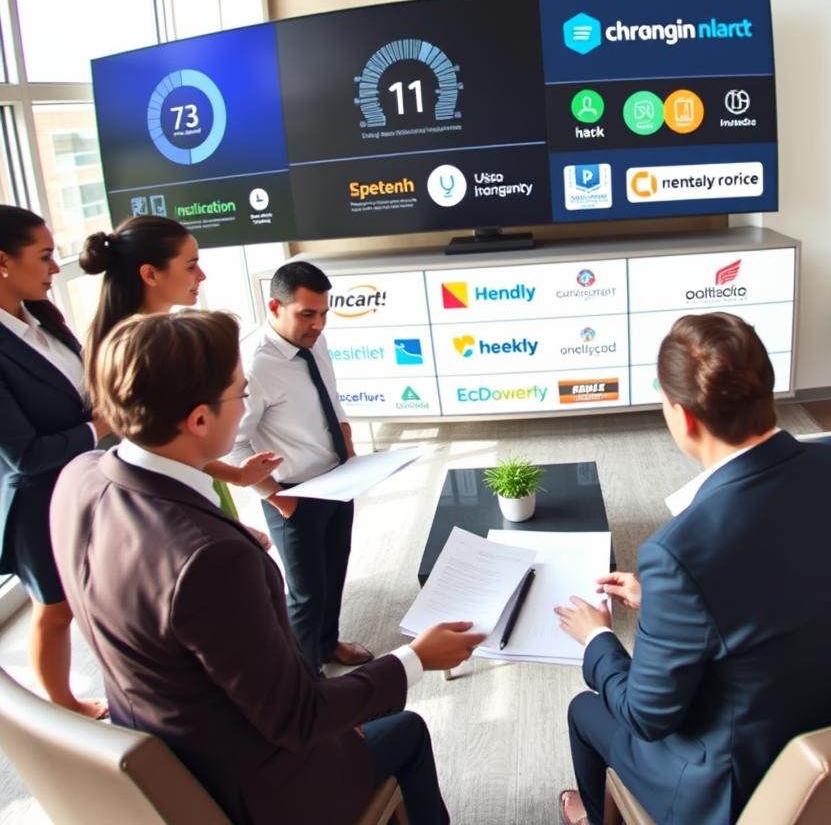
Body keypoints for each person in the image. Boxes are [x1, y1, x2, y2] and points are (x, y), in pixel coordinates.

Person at [51, 310, 483, 825]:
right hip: (248, 786)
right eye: (240, 394)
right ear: (199, 420)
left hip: (162, 739)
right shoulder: (210, 560)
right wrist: (415, 658)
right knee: (406, 729)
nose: (247, 406)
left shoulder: (78, 478)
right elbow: (299, 718)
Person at [554, 312, 831, 825]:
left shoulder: (678, 551)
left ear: (682, 417)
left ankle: (595, 818)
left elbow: (647, 717)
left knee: (585, 709)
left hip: (733, 789)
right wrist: (664, 603)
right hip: (828, 741)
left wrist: (597, 640)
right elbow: (787, 577)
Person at [79, 215, 285, 524]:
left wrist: (237, 475)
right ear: (150, 274)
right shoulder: (144, 352)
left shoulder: (146, 338)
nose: (201, 275)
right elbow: (164, 447)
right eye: (190, 266)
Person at [231, 260, 372, 671]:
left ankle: (327, 645)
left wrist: (344, 430)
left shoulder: (313, 340)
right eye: (307, 314)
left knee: (334, 575)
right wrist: (277, 499)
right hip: (294, 495)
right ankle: (307, 682)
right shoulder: (254, 366)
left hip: (337, 480)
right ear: (274, 308)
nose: (318, 324)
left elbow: (328, 390)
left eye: (324, 313)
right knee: (306, 595)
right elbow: (235, 445)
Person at [0, 204, 108, 718]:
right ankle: (63, 707)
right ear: (3, 262)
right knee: (56, 608)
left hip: (85, 480)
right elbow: (23, 456)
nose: (55, 267)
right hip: (36, 500)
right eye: (43, 256)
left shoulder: (42, 314)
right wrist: (97, 428)